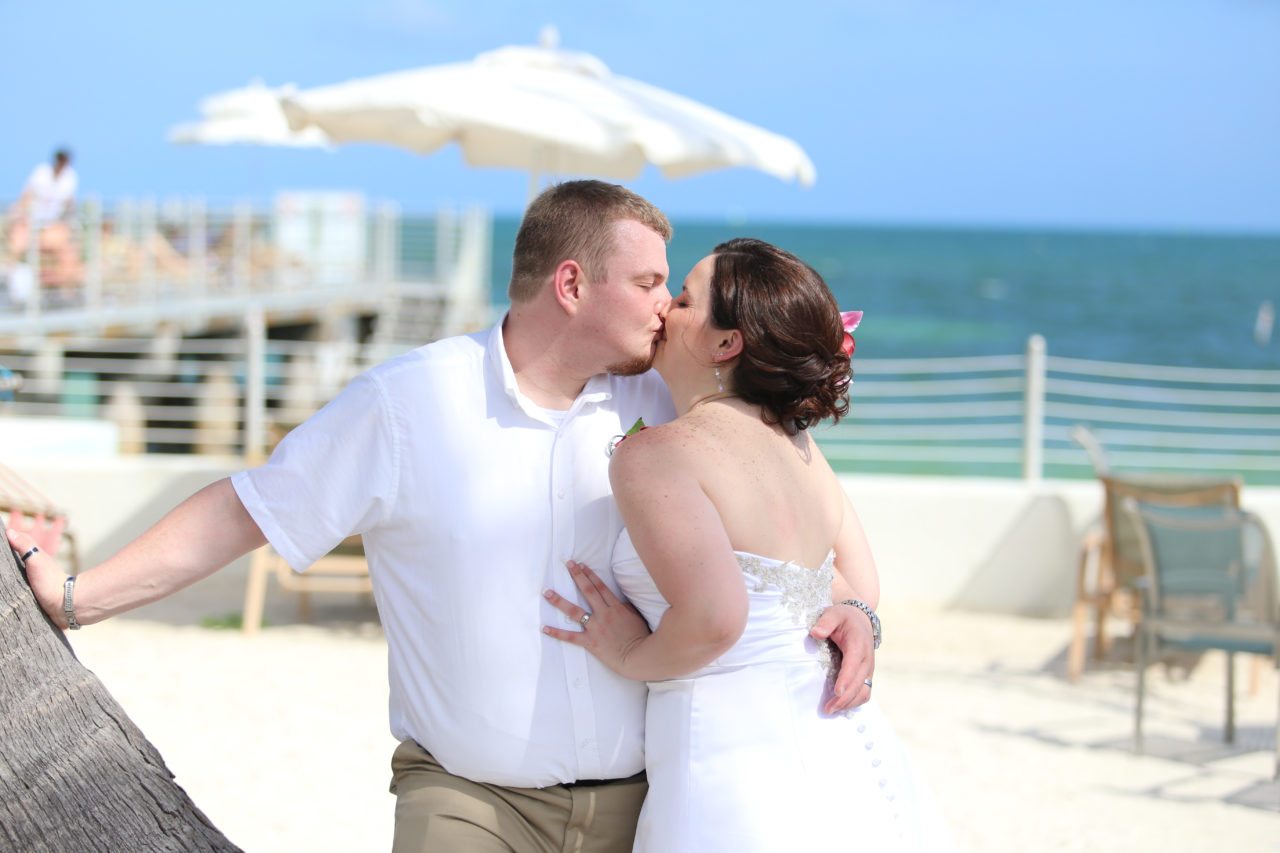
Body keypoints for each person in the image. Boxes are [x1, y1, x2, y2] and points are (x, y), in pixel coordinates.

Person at [7, 182, 877, 853]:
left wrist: (859, 609)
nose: (664, 304)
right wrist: (77, 596)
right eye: (651, 280)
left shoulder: (671, 395)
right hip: (468, 802)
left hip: (650, 803)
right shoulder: (408, 400)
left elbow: (805, 499)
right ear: (573, 284)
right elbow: (251, 509)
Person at [543, 238, 951, 851]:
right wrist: (859, 619)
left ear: (725, 342)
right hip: (840, 739)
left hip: (732, 754)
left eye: (682, 299)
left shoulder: (655, 454)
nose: (662, 308)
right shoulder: (800, 446)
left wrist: (628, 653)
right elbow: (857, 586)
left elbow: (715, 620)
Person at [5, 149, 82, 293]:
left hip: (52, 225)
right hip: (31, 222)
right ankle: (10, 281)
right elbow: (27, 194)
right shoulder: (42, 173)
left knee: (68, 253)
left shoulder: (70, 178)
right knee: (16, 246)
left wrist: (68, 222)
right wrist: (18, 213)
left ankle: (66, 292)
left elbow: (69, 203)